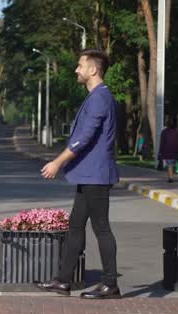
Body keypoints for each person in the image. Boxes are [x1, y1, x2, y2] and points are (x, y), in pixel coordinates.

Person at [36, 49, 121, 299]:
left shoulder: (100, 98)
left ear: (93, 69)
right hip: (88, 175)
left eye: (80, 65)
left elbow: (83, 138)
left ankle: (110, 284)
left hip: (96, 174)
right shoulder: (97, 96)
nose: (76, 69)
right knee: (75, 226)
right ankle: (63, 281)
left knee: (102, 228)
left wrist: (57, 162)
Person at [158, 117, 178, 183]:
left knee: (170, 164)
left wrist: (160, 152)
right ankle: (171, 176)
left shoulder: (164, 132)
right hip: (175, 151)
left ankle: (171, 178)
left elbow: (162, 143)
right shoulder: (176, 132)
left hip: (167, 151)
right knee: (171, 164)